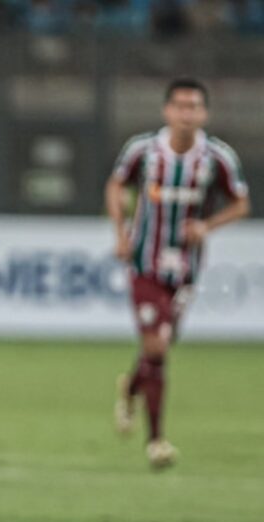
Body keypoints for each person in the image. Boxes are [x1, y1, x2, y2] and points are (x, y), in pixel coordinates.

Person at [107, 78, 249, 469]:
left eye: (194, 107)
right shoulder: (143, 151)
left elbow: (240, 203)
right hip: (144, 264)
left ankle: (132, 387)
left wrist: (208, 226)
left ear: (204, 114)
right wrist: (120, 233)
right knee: (157, 347)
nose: (187, 114)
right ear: (167, 111)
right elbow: (116, 184)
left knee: (160, 348)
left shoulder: (216, 158)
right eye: (180, 106)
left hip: (186, 269)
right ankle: (156, 441)